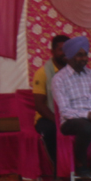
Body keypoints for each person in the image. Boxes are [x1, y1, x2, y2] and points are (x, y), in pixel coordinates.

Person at [52, 36, 91, 178]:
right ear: (69, 57)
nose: (84, 58)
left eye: (85, 54)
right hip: (72, 121)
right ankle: (81, 164)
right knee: (86, 127)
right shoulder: (59, 79)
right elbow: (65, 110)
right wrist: (90, 116)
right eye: (79, 55)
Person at [32, 34, 69, 165]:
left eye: (67, 49)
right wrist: (58, 120)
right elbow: (39, 105)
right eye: (61, 50)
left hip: (70, 115)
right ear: (52, 52)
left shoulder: (74, 72)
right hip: (48, 118)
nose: (65, 53)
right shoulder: (43, 73)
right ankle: (58, 167)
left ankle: (79, 166)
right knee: (51, 130)